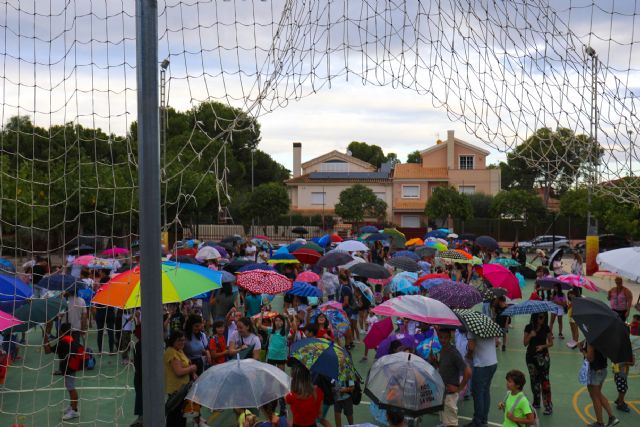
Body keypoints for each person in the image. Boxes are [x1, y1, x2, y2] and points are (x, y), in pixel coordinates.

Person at [43, 322, 81, 421]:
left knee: (71, 388)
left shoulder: (63, 342)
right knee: (70, 387)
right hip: (71, 367)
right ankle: (72, 405)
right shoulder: (71, 339)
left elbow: (47, 351)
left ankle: (75, 410)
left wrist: (45, 339)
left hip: (69, 368)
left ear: (61, 331)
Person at [437, 326, 472, 427]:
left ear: (450, 338)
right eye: (441, 337)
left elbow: (468, 372)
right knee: (445, 418)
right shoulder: (442, 349)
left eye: (445, 337)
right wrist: (435, 362)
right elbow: (444, 367)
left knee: (451, 422)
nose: (443, 340)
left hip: (450, 393)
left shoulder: (453, 353)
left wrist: (458, 389)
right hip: (443, 391)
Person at [581, 341, 620, 427]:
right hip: (602, 369)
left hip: (595, 371)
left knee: (595, 396)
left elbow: (590, 358)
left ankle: (601, 422)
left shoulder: (591, 338)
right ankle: (611, 418)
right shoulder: (602, 336)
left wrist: (582, 350)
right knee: (596, 394)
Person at [464, 329, 498, 427]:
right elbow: (495, 342)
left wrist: (468, 355)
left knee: (478, 393)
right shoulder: (488, 328)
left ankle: (477, 421)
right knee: (485, 391)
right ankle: (484, 419)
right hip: (493, 363)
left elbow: (471, 347)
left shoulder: (471, 330)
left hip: (481, 365)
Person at [164, 330, 198, 427]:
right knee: (175, 417)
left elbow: (186, 363)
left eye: (183, 340)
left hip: (182, 389)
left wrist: (192, 372)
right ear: (173, 341)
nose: (182, 342)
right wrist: (192, 368)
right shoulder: (171, 352)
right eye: (179, 340)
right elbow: (179, 371)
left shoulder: (179, 350)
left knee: (181, 415)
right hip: (176, 391)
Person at [523, 312, 553, 415]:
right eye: (540, 317)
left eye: (544, 317)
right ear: (535, 317)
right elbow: (525, 343)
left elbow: (551, 343)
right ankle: (536, 402)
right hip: (531, 357)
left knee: (545, 381)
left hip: (543, 358)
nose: (543, 319)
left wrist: (543, 346)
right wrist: (531, 335)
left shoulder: (546, 328)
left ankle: (548, 405)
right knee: (534, 380)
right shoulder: (528, 328)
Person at [285, 361, 324, 427]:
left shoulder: (291, 395)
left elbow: (286, 398)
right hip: (312, 424)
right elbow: (320, 413)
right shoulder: (318, 391)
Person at [337, 270, 357, 349]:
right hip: (347, 310)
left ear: (340, 279)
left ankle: (347, 344)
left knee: (346, 327)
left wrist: (337, 306)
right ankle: (351, 342)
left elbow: (345, 302)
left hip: (346, 310)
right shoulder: (348, 286)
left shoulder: (345, 288)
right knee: (347, 326)